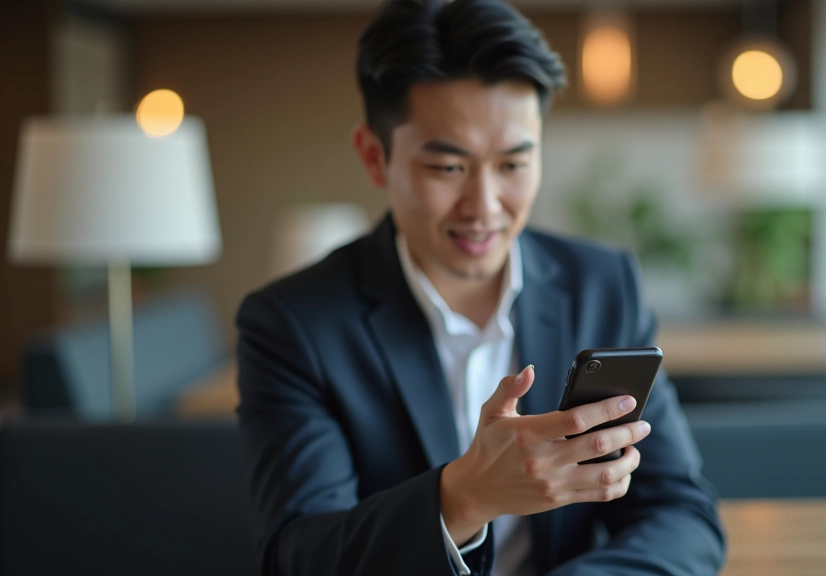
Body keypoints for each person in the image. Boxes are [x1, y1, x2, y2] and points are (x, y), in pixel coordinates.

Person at [235, 0, 725, 574]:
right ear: (374, 156)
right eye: (448, 168)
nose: (485, 207)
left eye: (514, 165)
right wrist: (463, 498)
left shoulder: (601, 285)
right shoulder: (293, 323)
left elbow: (681, 515)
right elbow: (298, 554)